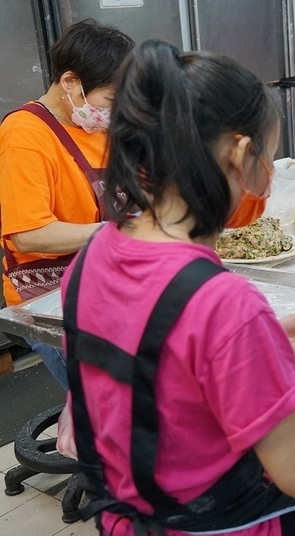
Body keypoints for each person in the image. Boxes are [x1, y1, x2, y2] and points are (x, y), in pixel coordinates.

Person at [63, 40, 295, 535]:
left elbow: (154, 369)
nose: (267, 182)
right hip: (218, 528)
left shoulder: (91, 257)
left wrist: (259, 347)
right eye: (269, 159)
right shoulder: (224, 304)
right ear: (242, 155)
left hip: (127, 521)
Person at [0, 19, 134, 390]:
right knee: (112, 401)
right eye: (110, 100)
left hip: (107, 279)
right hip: (50, 298)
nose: (114, 110)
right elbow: (28, 234)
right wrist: (118, 230)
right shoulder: (25, 135)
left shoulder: (95, 125)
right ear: (71, 82)